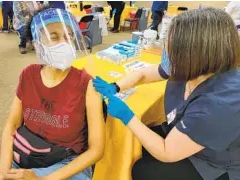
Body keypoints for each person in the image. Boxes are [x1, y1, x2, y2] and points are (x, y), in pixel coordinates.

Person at [93, 8, 240, 180]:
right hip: (184, 135)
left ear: (193, 55)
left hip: (212, 163)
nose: (165, 53)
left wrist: (127, 116)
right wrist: (116, 86)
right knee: (135, 143)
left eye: (170, 49)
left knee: (142, 170)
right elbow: (144, 74)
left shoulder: (218, 105)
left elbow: (166, 151)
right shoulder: (190, 68)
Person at [0, 8, 105, 180]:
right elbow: (12, 125)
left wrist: (42, 179)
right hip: (27, 153)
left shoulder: (87, 83)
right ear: (38, 44)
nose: (64, 43)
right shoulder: (28, 75)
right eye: (54, 37)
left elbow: (96, 149)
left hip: (67, 162)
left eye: (69, 36)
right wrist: (2, 171)